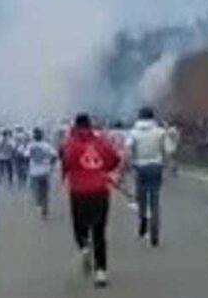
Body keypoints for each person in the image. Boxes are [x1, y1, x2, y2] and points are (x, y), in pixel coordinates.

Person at [62, 114, 122, 287]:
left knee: (79, 225)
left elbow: (66, 163)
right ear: (90, 125)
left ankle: (83, 246)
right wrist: (102, 169)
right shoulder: (102, 142)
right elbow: (114, 160)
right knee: (99, 231)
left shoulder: (71, 144)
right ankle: (101, 271)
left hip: (78, 191)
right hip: (100, 190)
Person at [127, 107, 174, 246]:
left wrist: (129, 164)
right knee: (155, 199)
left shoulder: (134, 132)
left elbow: (128, 149)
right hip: (156, 167)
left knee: (141, 199)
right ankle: (155, 232)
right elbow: (169, 149)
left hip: (140, 167)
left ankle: (143, 220)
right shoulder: (160, 132)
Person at [27, 128, 58, 218]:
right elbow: (55, 155)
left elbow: (25, 155)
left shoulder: (30, 146)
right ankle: (44, 211)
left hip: (34, 173)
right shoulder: (47, 146)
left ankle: (39, 203)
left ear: (34, 136)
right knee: (45, 193)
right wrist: (51, 165)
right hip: (45, 172)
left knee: (36, 191)